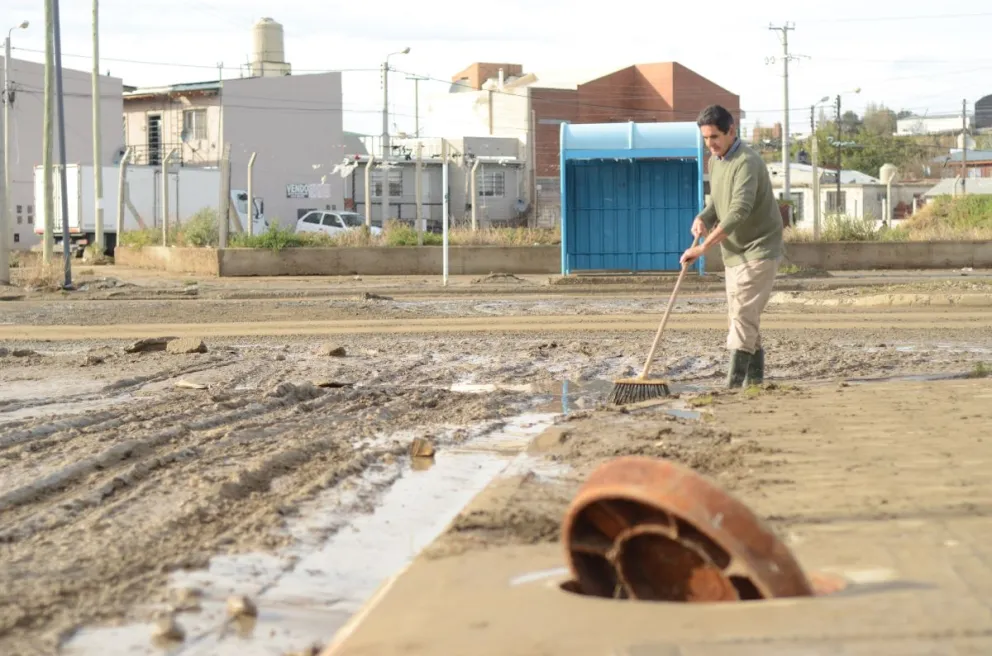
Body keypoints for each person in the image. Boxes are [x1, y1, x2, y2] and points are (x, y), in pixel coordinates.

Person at [680, 104, 784, 389]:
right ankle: (755, 385)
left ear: (731, 132)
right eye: (705, 138)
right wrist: (703, 218)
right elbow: (718, 202)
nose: (709, 144)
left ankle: (733, 385)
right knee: (741, 317)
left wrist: (703, 249)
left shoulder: (747, 162)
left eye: (714, 136)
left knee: (742, 316)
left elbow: (739, 210)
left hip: (760, 247)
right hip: (734, 252)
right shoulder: (716, 161)